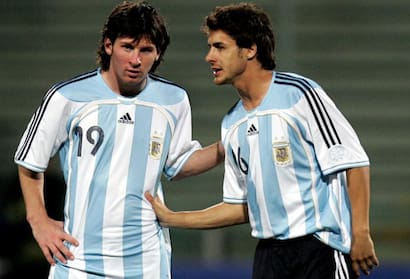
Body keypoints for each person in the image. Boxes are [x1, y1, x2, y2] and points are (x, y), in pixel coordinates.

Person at [145, 2, 379, 278]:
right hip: (269, 257)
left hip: (319, 248)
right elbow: (240, 206)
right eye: (210, 47)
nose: (209, 57)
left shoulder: (300, 95)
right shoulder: (232, 124)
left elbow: (353, 161)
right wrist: (176, 218)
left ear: (250, 49)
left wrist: (360, 232)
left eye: (219, 47)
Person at [14, 1, 223, 278]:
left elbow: (177, 163)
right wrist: (38, 220)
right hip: (78, 260)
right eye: (128, 47)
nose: (136, 60)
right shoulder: (66, 97)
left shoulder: (173, 100)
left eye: (146, 50)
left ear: (157, 53)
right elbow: (30, 161)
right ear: (109, 45)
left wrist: (225, 148)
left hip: (146, 262)